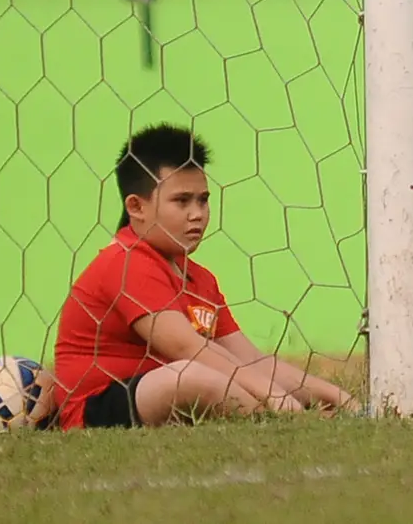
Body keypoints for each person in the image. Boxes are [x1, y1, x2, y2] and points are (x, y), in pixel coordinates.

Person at [51, 123, 358, 430]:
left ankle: (314, 414)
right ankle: (281, 421)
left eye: (203, 199)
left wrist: (341, 398)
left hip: (160, 390)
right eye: (182, 201)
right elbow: (187, 348)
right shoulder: (124, 261)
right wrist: (274, 398)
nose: (197, 213)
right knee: (190, 375)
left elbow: (250, 358)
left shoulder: (200, 278)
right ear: (136, 206)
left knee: (220, 371)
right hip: (97, 407)